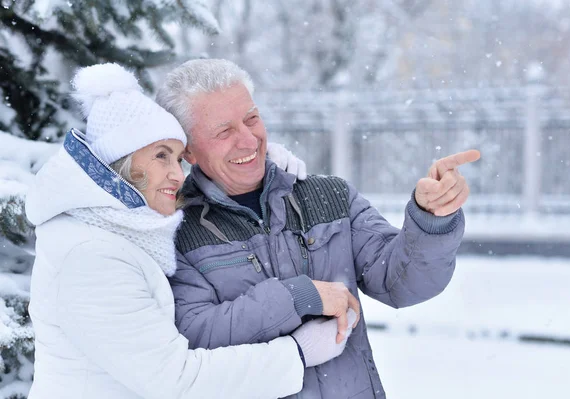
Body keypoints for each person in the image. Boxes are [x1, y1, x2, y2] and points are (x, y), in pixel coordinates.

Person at [156, 58, 481, 399]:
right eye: (224, 131)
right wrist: (296, 297)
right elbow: (194, 336)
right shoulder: (176, 230)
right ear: (188, 151)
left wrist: (431, 218)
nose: (249, 140)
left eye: (252, 118)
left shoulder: (328, 197)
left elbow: (402, 283)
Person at [24, 63, 353, 399]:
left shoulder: (123, 232)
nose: (178, 175)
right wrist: (296, 354)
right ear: (120, 162)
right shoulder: (92, 256)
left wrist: (260, 168)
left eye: (178, 159)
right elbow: (175, 380)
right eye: (161, 156)